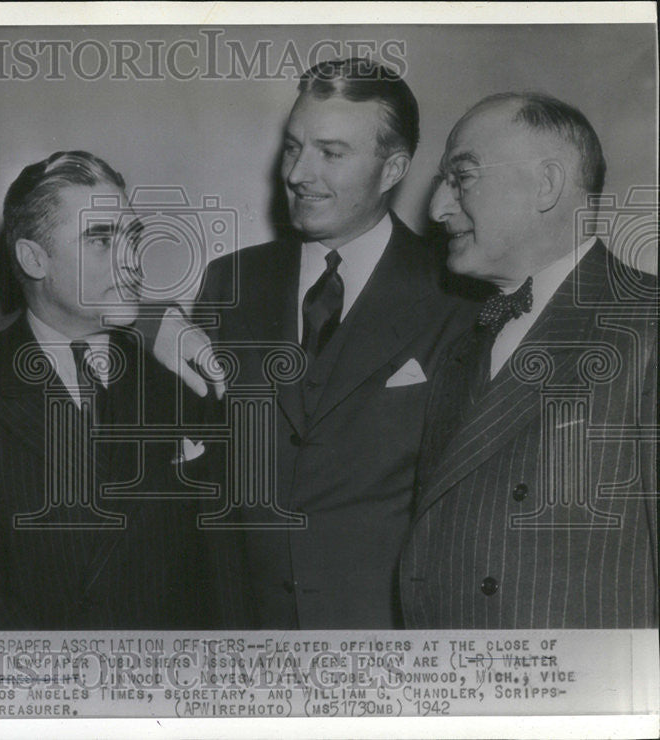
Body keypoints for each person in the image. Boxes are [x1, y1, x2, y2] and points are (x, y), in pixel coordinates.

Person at [182, 58, 477, 629]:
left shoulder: (457, 297)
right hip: (246, 642)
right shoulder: (229, 283)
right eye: (293, 147)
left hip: (388, 650)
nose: (297, 173)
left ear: (393, 168)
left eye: (331, 153)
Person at [0, 151, 219, 629]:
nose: (131, 261)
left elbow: (218, 562)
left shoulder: (174, 369)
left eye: (132, 237)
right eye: (100, 239)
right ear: (34, 259)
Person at [400, 92, 657, 628]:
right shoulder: (462, 347)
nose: (437, 210)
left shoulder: (645, 325)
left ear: (546, 185)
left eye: (462, 178)